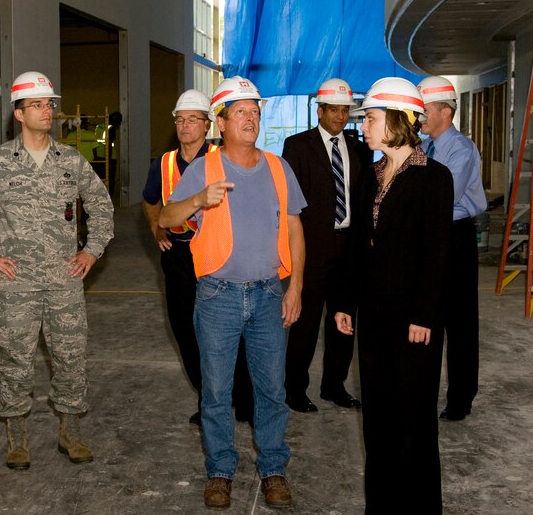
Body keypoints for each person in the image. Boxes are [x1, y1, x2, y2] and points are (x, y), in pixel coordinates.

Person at [0, 71, 114, 470]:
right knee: (14, 359)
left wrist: (91, 250)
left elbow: (101, 206)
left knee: (71, 357)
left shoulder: (70, 160)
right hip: (15, 282)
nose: (47, 110)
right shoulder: (0, 163)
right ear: (18, 113)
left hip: (65, 280)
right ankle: (16, 437)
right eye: (37, 104)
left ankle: (70, 433)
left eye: (49, 104)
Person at [160, 77, 306, 510]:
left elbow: (295, 227)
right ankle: (221, 470)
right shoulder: (203, 170)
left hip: (267, 294)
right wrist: (199, 200)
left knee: (271, 391)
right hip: (218, 296)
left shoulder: (280, 168)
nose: (251, 118)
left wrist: (295, 284)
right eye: (240, 112)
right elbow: (167, 217)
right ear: (220, 123)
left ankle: (273, 467)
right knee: (218, 391)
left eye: (255, 112)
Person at [334, 77, 453, 513]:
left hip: (414, 320)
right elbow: (356, 245)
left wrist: (424, 314)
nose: (363, 126)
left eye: (370, 118)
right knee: (379, 419)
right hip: (374, 314)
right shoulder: (371, 176)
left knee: (415, 419)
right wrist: (346, 301)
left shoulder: (433, 178)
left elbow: (436, 253)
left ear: (398, 121)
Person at [141, 89, 254, 427]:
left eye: (193, 120)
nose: (185, 126)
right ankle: (211, 400)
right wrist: (156, 228)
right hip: (178, 256)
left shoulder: (225, 159)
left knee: (229, 329)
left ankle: (244, 399)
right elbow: (150, 201)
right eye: (180, 120)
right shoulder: (162, 164)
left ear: (207, 125)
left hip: (217, 254)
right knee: (185, 330)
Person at [282, 78, 368, 413]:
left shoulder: (358, 147)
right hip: (312, 247)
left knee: (343, 320)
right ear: (320, 111)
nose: (340, 116)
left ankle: (334, 384)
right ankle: (294, 389)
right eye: (334, 109)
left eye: (345, 110)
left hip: (348, 247)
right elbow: (290, 203)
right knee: (305, 321)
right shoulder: (298, 146)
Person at [418, 76, 486, 422]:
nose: (420, 118)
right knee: (429, 314)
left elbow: (442, 200)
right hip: (432, 235)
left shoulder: (460, 150)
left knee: (459, 323)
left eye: (425, 110)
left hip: (455, 236)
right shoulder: (423, 146)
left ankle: (461, 398)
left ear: (446, 111)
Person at [96, 111, 120, 196]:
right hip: (108, 157)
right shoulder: (111, 128)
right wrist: (108, 159)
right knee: (109, 180)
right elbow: (109, 144)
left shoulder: (99, 127)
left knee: (100, 180)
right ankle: (109, 198)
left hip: (98, 156)